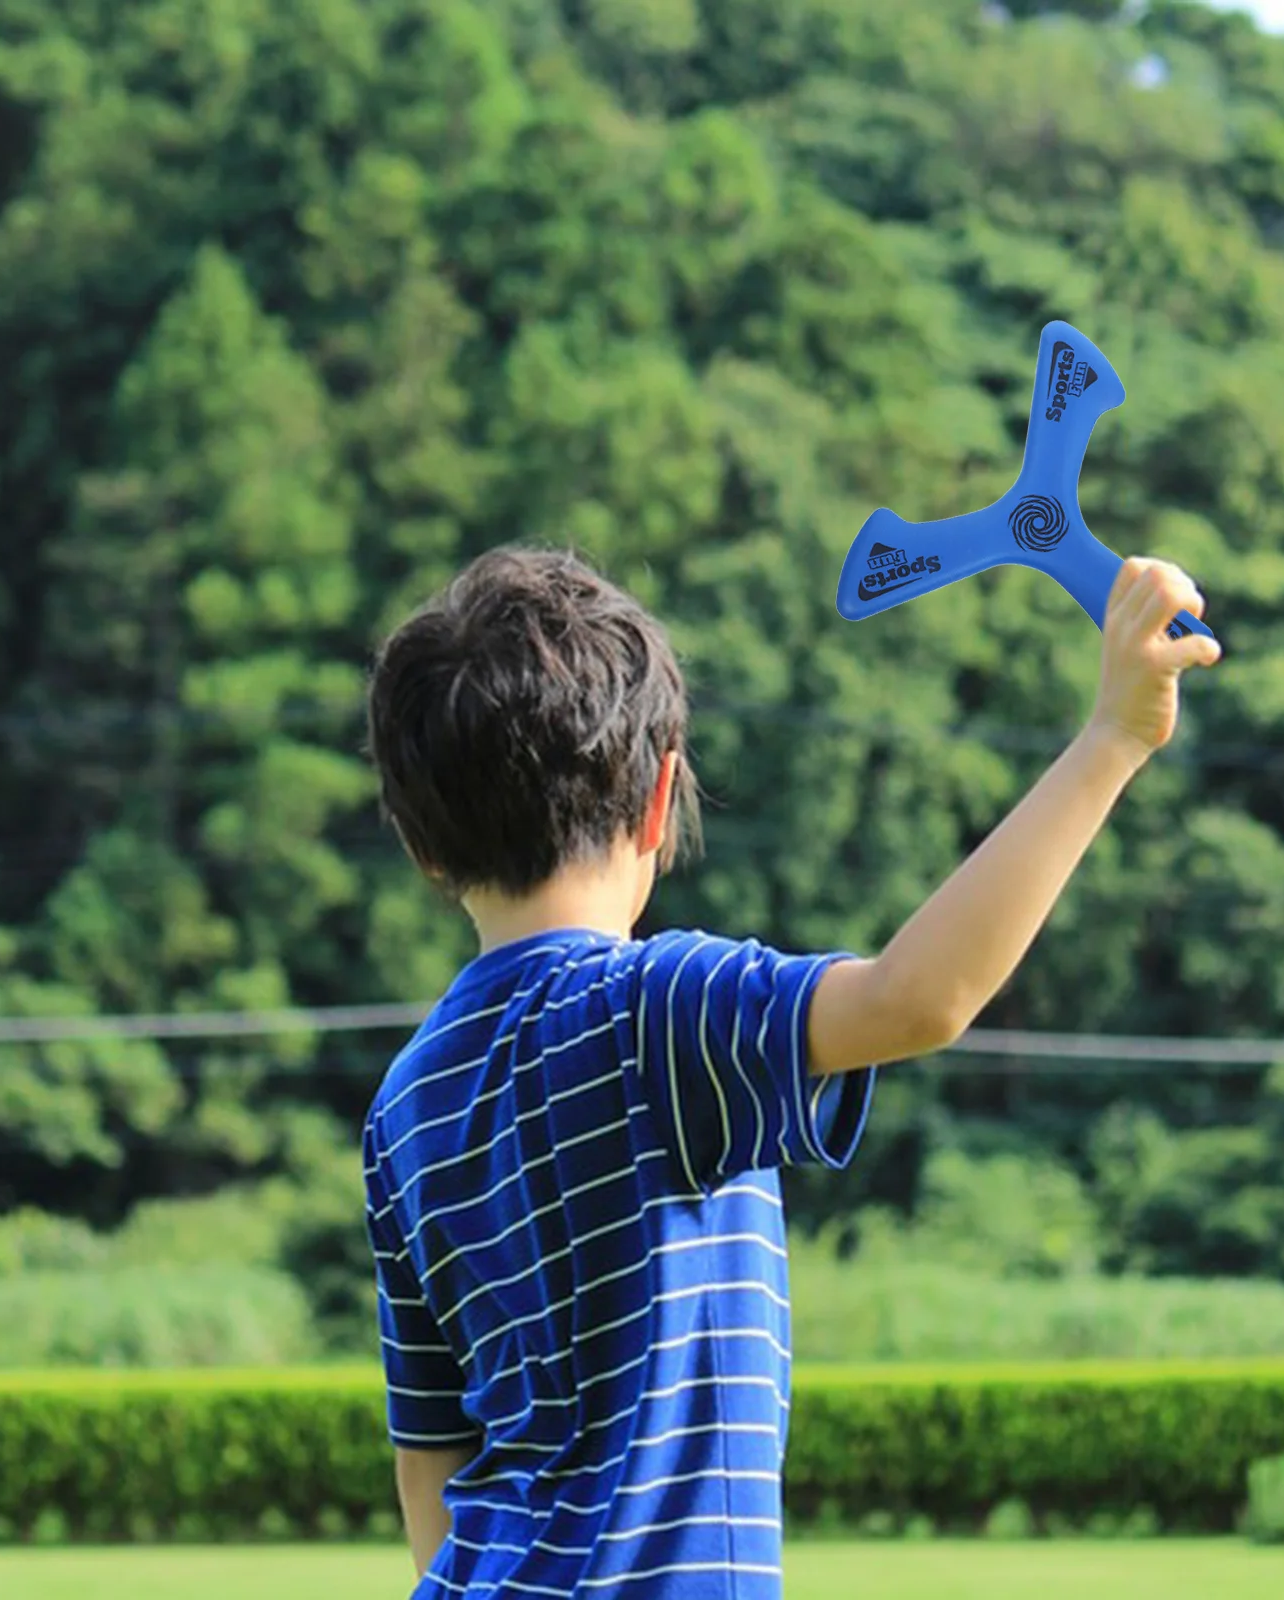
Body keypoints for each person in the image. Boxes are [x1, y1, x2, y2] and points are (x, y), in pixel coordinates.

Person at [362, 545, 1220, 1597]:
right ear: (659, 794)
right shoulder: (656, 1013)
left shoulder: (405, 1099)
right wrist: (1112, 737)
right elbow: (918, 996)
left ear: (423, 849)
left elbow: (428, 1466)